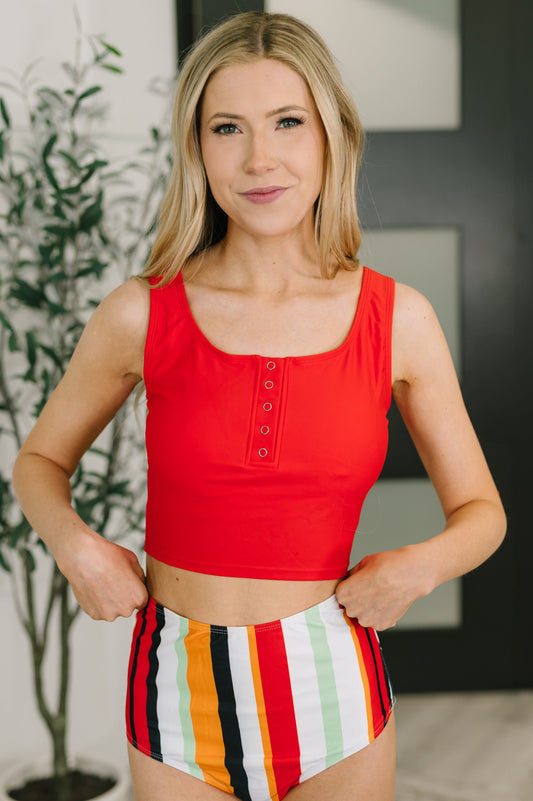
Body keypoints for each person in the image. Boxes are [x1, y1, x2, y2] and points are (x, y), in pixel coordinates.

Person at [12, 11, 506, 801]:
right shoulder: (141, 311)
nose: (258, 159)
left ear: (331, 135)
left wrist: (417, 567)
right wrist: (76, 547)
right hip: (177, 686)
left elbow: (482, 513)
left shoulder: (397, 319)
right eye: (227, 128)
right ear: (196, 147)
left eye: (286, 122)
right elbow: (39, 460)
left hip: (329, 681)